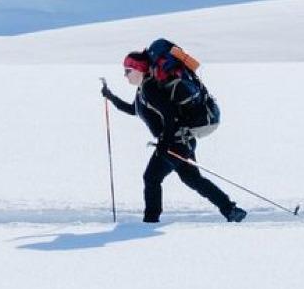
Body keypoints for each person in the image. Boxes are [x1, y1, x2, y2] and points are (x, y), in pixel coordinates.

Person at [102, 51, 246, 223]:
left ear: (139, 69)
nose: (125, 75)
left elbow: (171, 116)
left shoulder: (150, 88)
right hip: (181, 142)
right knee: (193, 179)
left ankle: (150, 221)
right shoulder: (143, 90)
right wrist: (111, 97)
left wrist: (164, 143)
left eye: (128, 71)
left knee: (151, 178)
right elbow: (134, 110)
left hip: (175, 143)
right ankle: (230, 209)